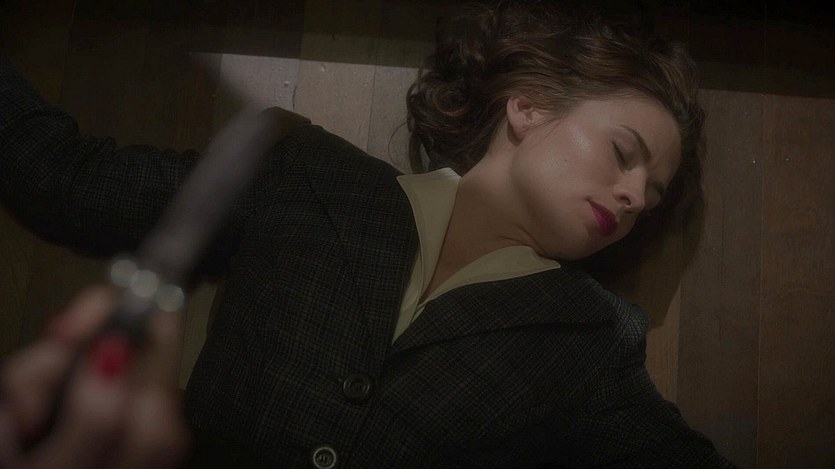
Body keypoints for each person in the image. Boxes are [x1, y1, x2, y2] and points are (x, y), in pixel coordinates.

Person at [0, 1, 737, 467]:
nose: (632, 195)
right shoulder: (306, 173)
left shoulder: (594, 342)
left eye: (650, 197)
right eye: (623, 153)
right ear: (530, 106)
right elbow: (65, 177)